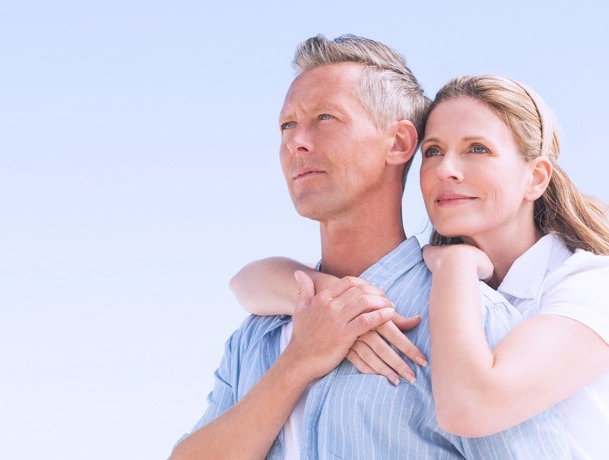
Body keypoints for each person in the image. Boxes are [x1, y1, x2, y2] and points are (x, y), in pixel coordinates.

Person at [172, 35, 567, 460]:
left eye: (325, 117)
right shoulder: (259, 334)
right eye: (287, 125)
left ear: (398, 144)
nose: (295, 142)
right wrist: (297, 363)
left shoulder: (472, 324)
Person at [231, 74, 609, 459]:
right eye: (434, 151)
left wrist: (456, 266)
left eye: (477, 149)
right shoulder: (426, 274)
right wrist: (340, 303)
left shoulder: (593, 284)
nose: (447, 171)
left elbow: (469, 407)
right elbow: (247, 284)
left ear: (535, 177)